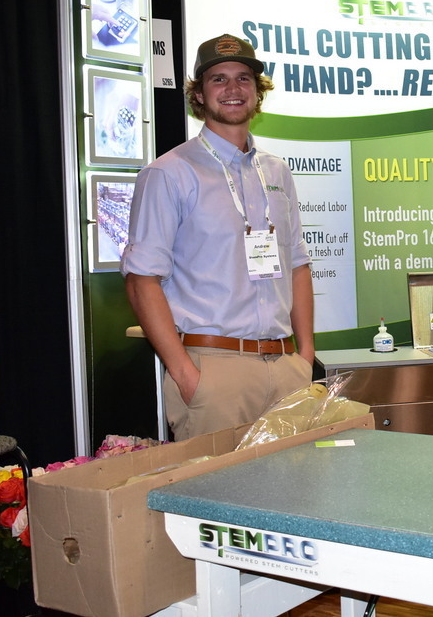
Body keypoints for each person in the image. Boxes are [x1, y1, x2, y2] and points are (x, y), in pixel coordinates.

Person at [121, 34, 315, 441]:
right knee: (217, 483)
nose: (233, 89)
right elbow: (141, 281)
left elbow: (298, 266)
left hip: (285, 368)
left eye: (243, 78)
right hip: (214, 371)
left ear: (257, 92)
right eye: (218, 79)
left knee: (296, 480)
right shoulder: (169, 173)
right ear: (199, 94)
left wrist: (305, 358)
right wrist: (185, 373)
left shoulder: (276, 172)